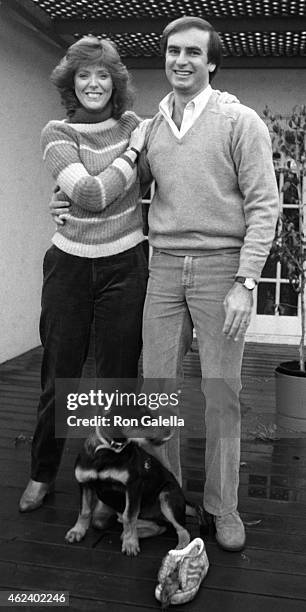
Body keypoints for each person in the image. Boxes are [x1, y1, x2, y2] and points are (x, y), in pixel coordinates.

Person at [137, 17, 279, 551]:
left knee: (222, 394)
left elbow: (265, 206)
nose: (181, 60)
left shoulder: (239, 121)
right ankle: (168, 502)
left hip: (223, 268)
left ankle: (224, 507)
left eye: (193, 53)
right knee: (158, 393)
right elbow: (128, 188)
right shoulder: (151, 128)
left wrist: (246, 280)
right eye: (173, 51)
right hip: (164, 267)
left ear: (212, 62)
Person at [19, 36, 149, 512]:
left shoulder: (136, 125)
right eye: (83, 75)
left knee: (118, 377)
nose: (94, 83)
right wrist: (132, 157)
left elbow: (180, 139)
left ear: (116, 83)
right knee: (60, 376)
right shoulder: (57, 132)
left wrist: (223, 99)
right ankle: (41, 472)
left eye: (103, 74)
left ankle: (116, 479)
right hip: (69, 264)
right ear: (71, 84)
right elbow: (91, 194)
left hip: (126, 264)